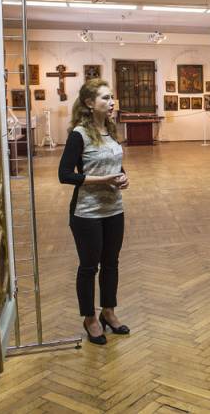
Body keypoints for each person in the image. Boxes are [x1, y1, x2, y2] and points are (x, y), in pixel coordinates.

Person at [58, 79, 130, 345]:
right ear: (89, 103)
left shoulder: (110, 130)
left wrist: (123, 176)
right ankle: (89, 318)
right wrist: (104, 180)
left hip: (114, 208)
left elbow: (114, 165)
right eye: (105, 98)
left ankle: (108, 312)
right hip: (87, 212)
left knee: (111, 263)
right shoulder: (79, 134)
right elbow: (65, 175)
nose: (111, 103)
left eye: (112, 98)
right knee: (89, 267)